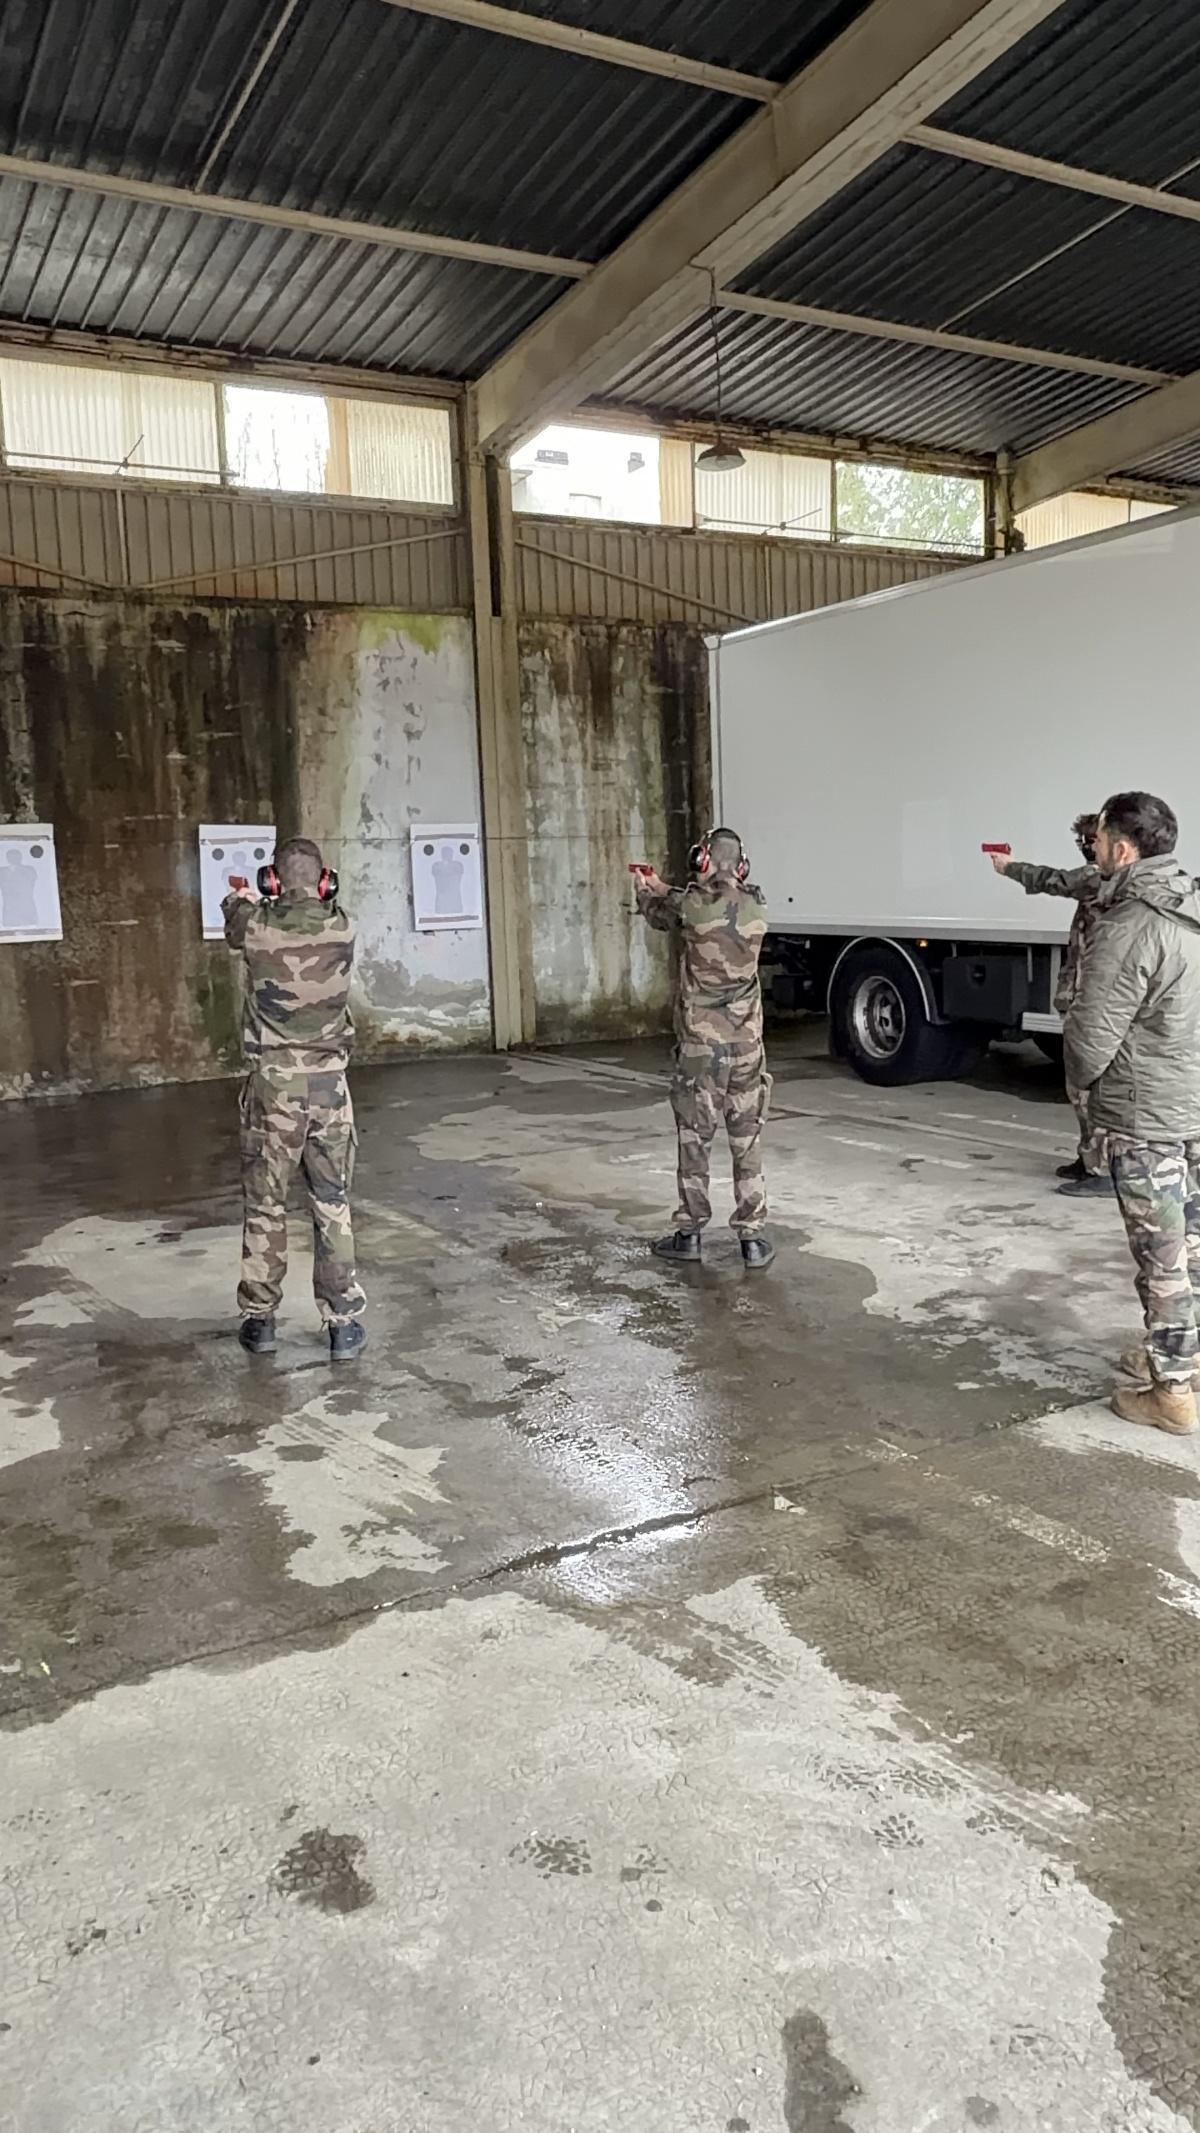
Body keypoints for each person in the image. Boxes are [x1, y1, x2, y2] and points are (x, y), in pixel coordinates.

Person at [1064, 791, 1200, 1435]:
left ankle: (1172, 1390)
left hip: (1148, 1113)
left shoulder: (1131, 922)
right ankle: (1186, 1359)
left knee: (1161, 1255)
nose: (1093, 852)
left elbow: (1092, 1033)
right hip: (1193, 1100)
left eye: (1097, 842)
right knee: (1193, 1244)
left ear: (1122, 849)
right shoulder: (1191, 904)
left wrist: (1084, 1094)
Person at [222, 837, 366, 1360]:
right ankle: (342, 1324)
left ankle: (260, 1321)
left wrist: (241, 896)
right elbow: (320, 904)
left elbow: (235, 922)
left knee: (265, 1204)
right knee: (332, 1204)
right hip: (330, 1087)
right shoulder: (343, 925)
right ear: (325, 880)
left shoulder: (256, 927)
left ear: (273, 881)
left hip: (274, 1086)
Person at [633, 827, 774, 1268]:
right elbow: (706, 899)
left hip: (700, 1047)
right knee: (746, 1139)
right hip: (747, 1046)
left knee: (695, 1138)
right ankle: (751, 1239)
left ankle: (690, 1232)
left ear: (703, 861)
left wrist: (645, 889)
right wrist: (669, 886)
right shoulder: (757, 906)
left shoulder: (690, 907)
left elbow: (661, 911)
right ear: (743, 866)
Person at [991, 815, 1111, 1197]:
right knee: (1080, 1086)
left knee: (1090, 1088)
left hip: (1093, 998)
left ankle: (1102, 1169)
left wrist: (1010, 868)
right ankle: (1090, 1157)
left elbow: (1056, 880)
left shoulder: (1102, 878)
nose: (1086, 847)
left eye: (1090, 840)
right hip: (1083, 994)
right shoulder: (1106, 878)